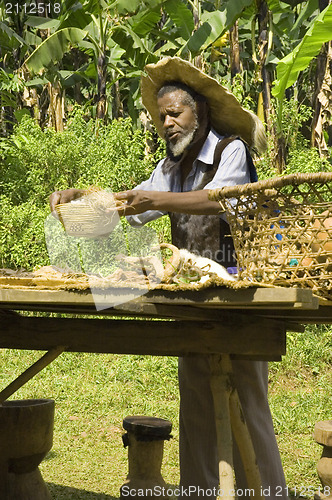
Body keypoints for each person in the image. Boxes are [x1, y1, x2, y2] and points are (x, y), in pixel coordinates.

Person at [50, 57, 288, 499]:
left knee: (246, 398)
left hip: (237, 295)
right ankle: (202, 491)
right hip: (190, 295)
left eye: (175, 113)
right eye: (161, 117)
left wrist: (154, 198)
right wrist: (81, 199)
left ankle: (265, 492)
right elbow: (132, 202)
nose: (167, 123)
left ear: (200, 113)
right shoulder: (170, 166)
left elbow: (219, 201)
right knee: (196, 397)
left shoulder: (227, 150)